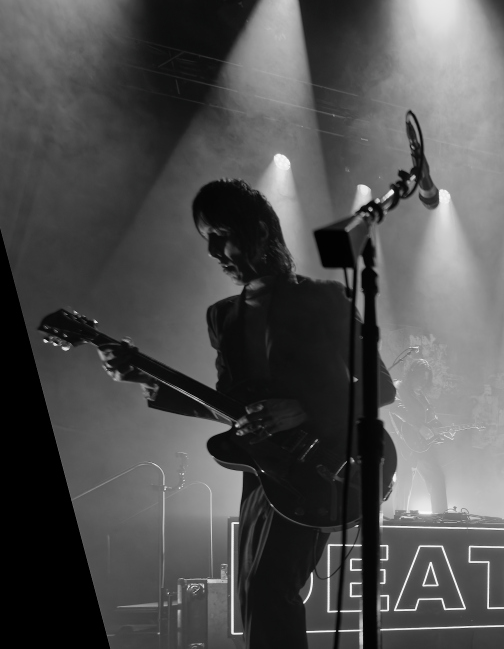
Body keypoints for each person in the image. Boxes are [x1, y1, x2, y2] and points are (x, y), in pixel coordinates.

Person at [97, 178, 395, 649]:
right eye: (207, 239)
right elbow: (226, 405)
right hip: (262, 475)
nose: (214, 249)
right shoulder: (222, 317)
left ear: (257, 229)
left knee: (268, 589)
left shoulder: (322, 298)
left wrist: (301, 410)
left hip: (329, 464)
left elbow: (381, 385)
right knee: (257, 596)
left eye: (220, 233)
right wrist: (145, 379)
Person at [388, 358, 449, 513]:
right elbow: (396, 408)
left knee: (437, 477)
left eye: (426, 380)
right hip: (403, 444)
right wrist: (419, 426)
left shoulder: (422, 397)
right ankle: (399, 518)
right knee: (404, 480)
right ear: (412, 374)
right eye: (421, 378)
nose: (423, 382)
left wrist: (442, 430)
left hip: (422, 445)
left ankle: (440, 516)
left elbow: (432, 419)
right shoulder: (398, 386)